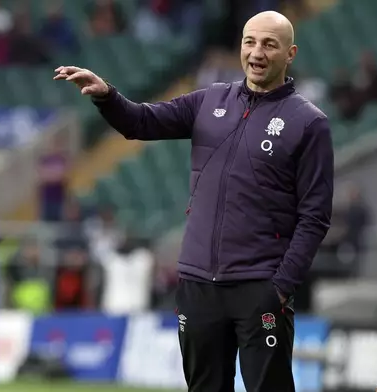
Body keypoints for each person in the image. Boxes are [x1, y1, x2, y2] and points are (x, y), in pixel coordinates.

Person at [54, 10, 333, 392]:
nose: (257, 52)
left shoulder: (309, 122)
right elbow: (141, 122)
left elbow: (315, 217)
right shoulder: (210, 100)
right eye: (250, 42)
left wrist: (280, 287)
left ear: (291, 53)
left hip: (260, 287)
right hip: (198, 285)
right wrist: (107, 96)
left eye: (270, 44)